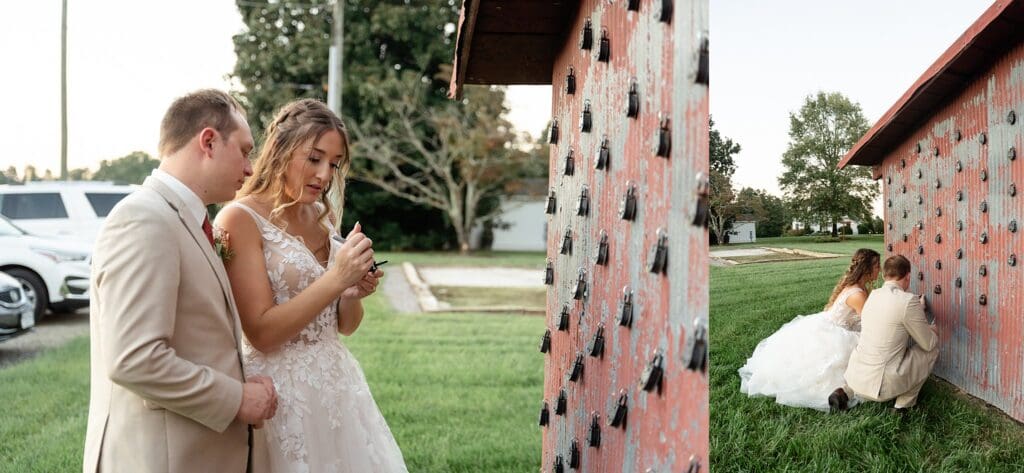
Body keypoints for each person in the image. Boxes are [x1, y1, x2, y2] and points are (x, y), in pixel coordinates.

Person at [84, 89, 279, 472]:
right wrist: (236, 398)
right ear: (208, 141)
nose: (250, 169)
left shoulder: (183, 220)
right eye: (244, 150)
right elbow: (133, 359)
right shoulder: (143, 220)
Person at [215, 98, 408, 472]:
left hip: (337, 387)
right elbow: (261, 334)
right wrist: (336, 278)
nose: (324, 175)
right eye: (314, 158)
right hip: (281, 396)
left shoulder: (323, 216)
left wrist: (350, 291)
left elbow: (345, 326)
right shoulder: (239, 219)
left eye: (334, 164)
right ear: (282, 150)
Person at [738, 248, 881, 411]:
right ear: (867, 268)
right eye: (877, 266)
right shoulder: (857, 294)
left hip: (830, 324)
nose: (880, 270)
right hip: (836, 333)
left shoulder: (858, 287)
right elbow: (871, 323)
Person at [829, 254, 938, 413]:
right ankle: (903, 405)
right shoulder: (908, 301)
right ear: (908, 276)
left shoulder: (872, 296)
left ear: (884, 275)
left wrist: (916, 310)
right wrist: (933, 330)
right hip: (881, 387)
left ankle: (844, 393)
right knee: (932, 349)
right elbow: (928, 343)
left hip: (855, 377)